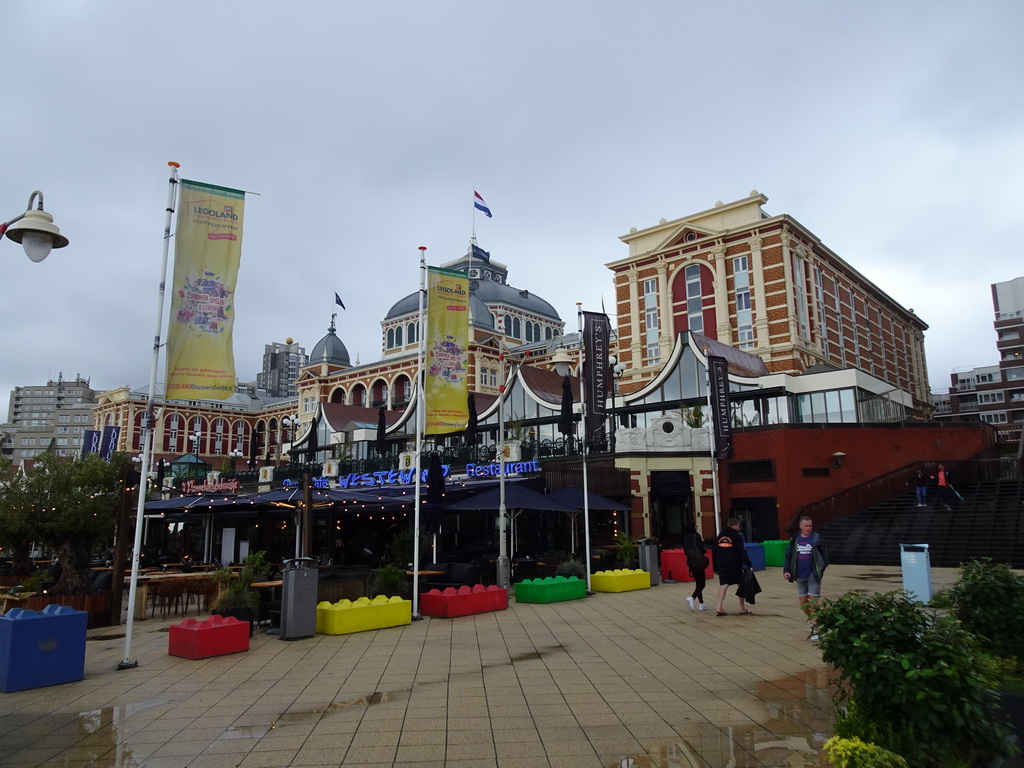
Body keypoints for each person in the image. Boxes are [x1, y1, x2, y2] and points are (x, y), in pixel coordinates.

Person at [783, 515, 829, 642]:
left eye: (810, 526)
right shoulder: (794, 539)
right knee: (803, 604)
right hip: (799, 574)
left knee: (813, 602)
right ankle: (812, 620)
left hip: (813, 575)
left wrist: (820, 571)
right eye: (806, 526)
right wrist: (787, 571)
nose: (808, 528)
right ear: (800, 526)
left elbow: (825, 557)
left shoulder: (816, 538)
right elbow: (788, 556)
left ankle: (815, 629)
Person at [714, 518, 753, 616]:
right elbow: (741, 551)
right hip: (733, 564)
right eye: (738, 526)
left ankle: (719, 607)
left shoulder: (720, 535)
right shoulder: (736, 536)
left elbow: (715, 550)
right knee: (740, 584)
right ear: (735, 525)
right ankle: (742, 608)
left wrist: (715, 564)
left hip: (721, 564)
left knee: (723, 585)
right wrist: (748, 564)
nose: (739, 528)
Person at [681, 523, 708, 612]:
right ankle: (692, 598)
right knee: (702, 583)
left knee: (698, 583)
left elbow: (685, 551)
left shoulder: (685, 538)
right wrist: (704, 551)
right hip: (698, 561)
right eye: (695, 525)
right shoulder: (696, 536)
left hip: (691, 562)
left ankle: (701, 604)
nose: (697, 527)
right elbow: (701, 548)